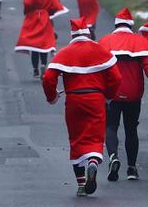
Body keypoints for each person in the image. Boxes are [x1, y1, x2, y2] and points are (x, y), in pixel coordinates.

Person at [42, 20, 121, 197]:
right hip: (95, 98)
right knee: (95, 135)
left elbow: (48, 78)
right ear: (88, 33)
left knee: (76, 138)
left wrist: (52, 97)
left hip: (74, 100)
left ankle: (81, 184)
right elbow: (116, 77)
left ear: (72, 35)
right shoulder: (100, 50)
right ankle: (93, 160)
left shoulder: (65, 53)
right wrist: (108, 95)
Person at [99, 8, 148, 181]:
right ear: (130, 25)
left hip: (111, 93)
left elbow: (97, 67)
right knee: (131, 129)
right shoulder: (140, 42)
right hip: (133, 94)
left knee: (111, 127)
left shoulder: (105, 42)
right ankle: (132, 168)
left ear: (116, 24)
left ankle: (113, 157)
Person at [14, 0, 69, 77]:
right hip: (44, 18)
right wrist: (49, 13)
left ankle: (35, 69)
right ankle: (43, 64)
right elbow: (55, 5)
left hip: (32, 18)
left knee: (34, 45)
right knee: (44, 44)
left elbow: (27, 4)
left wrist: (27, 12)